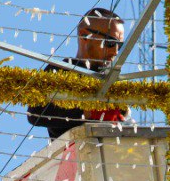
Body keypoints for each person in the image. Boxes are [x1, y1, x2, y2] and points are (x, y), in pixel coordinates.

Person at [27, 7, 130, 139]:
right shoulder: (62, 70)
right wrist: (89, 112)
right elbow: (35, 112)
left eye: (119, 46)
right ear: (85, 35)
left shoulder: (110, 78)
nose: (115, 52)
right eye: (110, 43)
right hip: (72, 154)